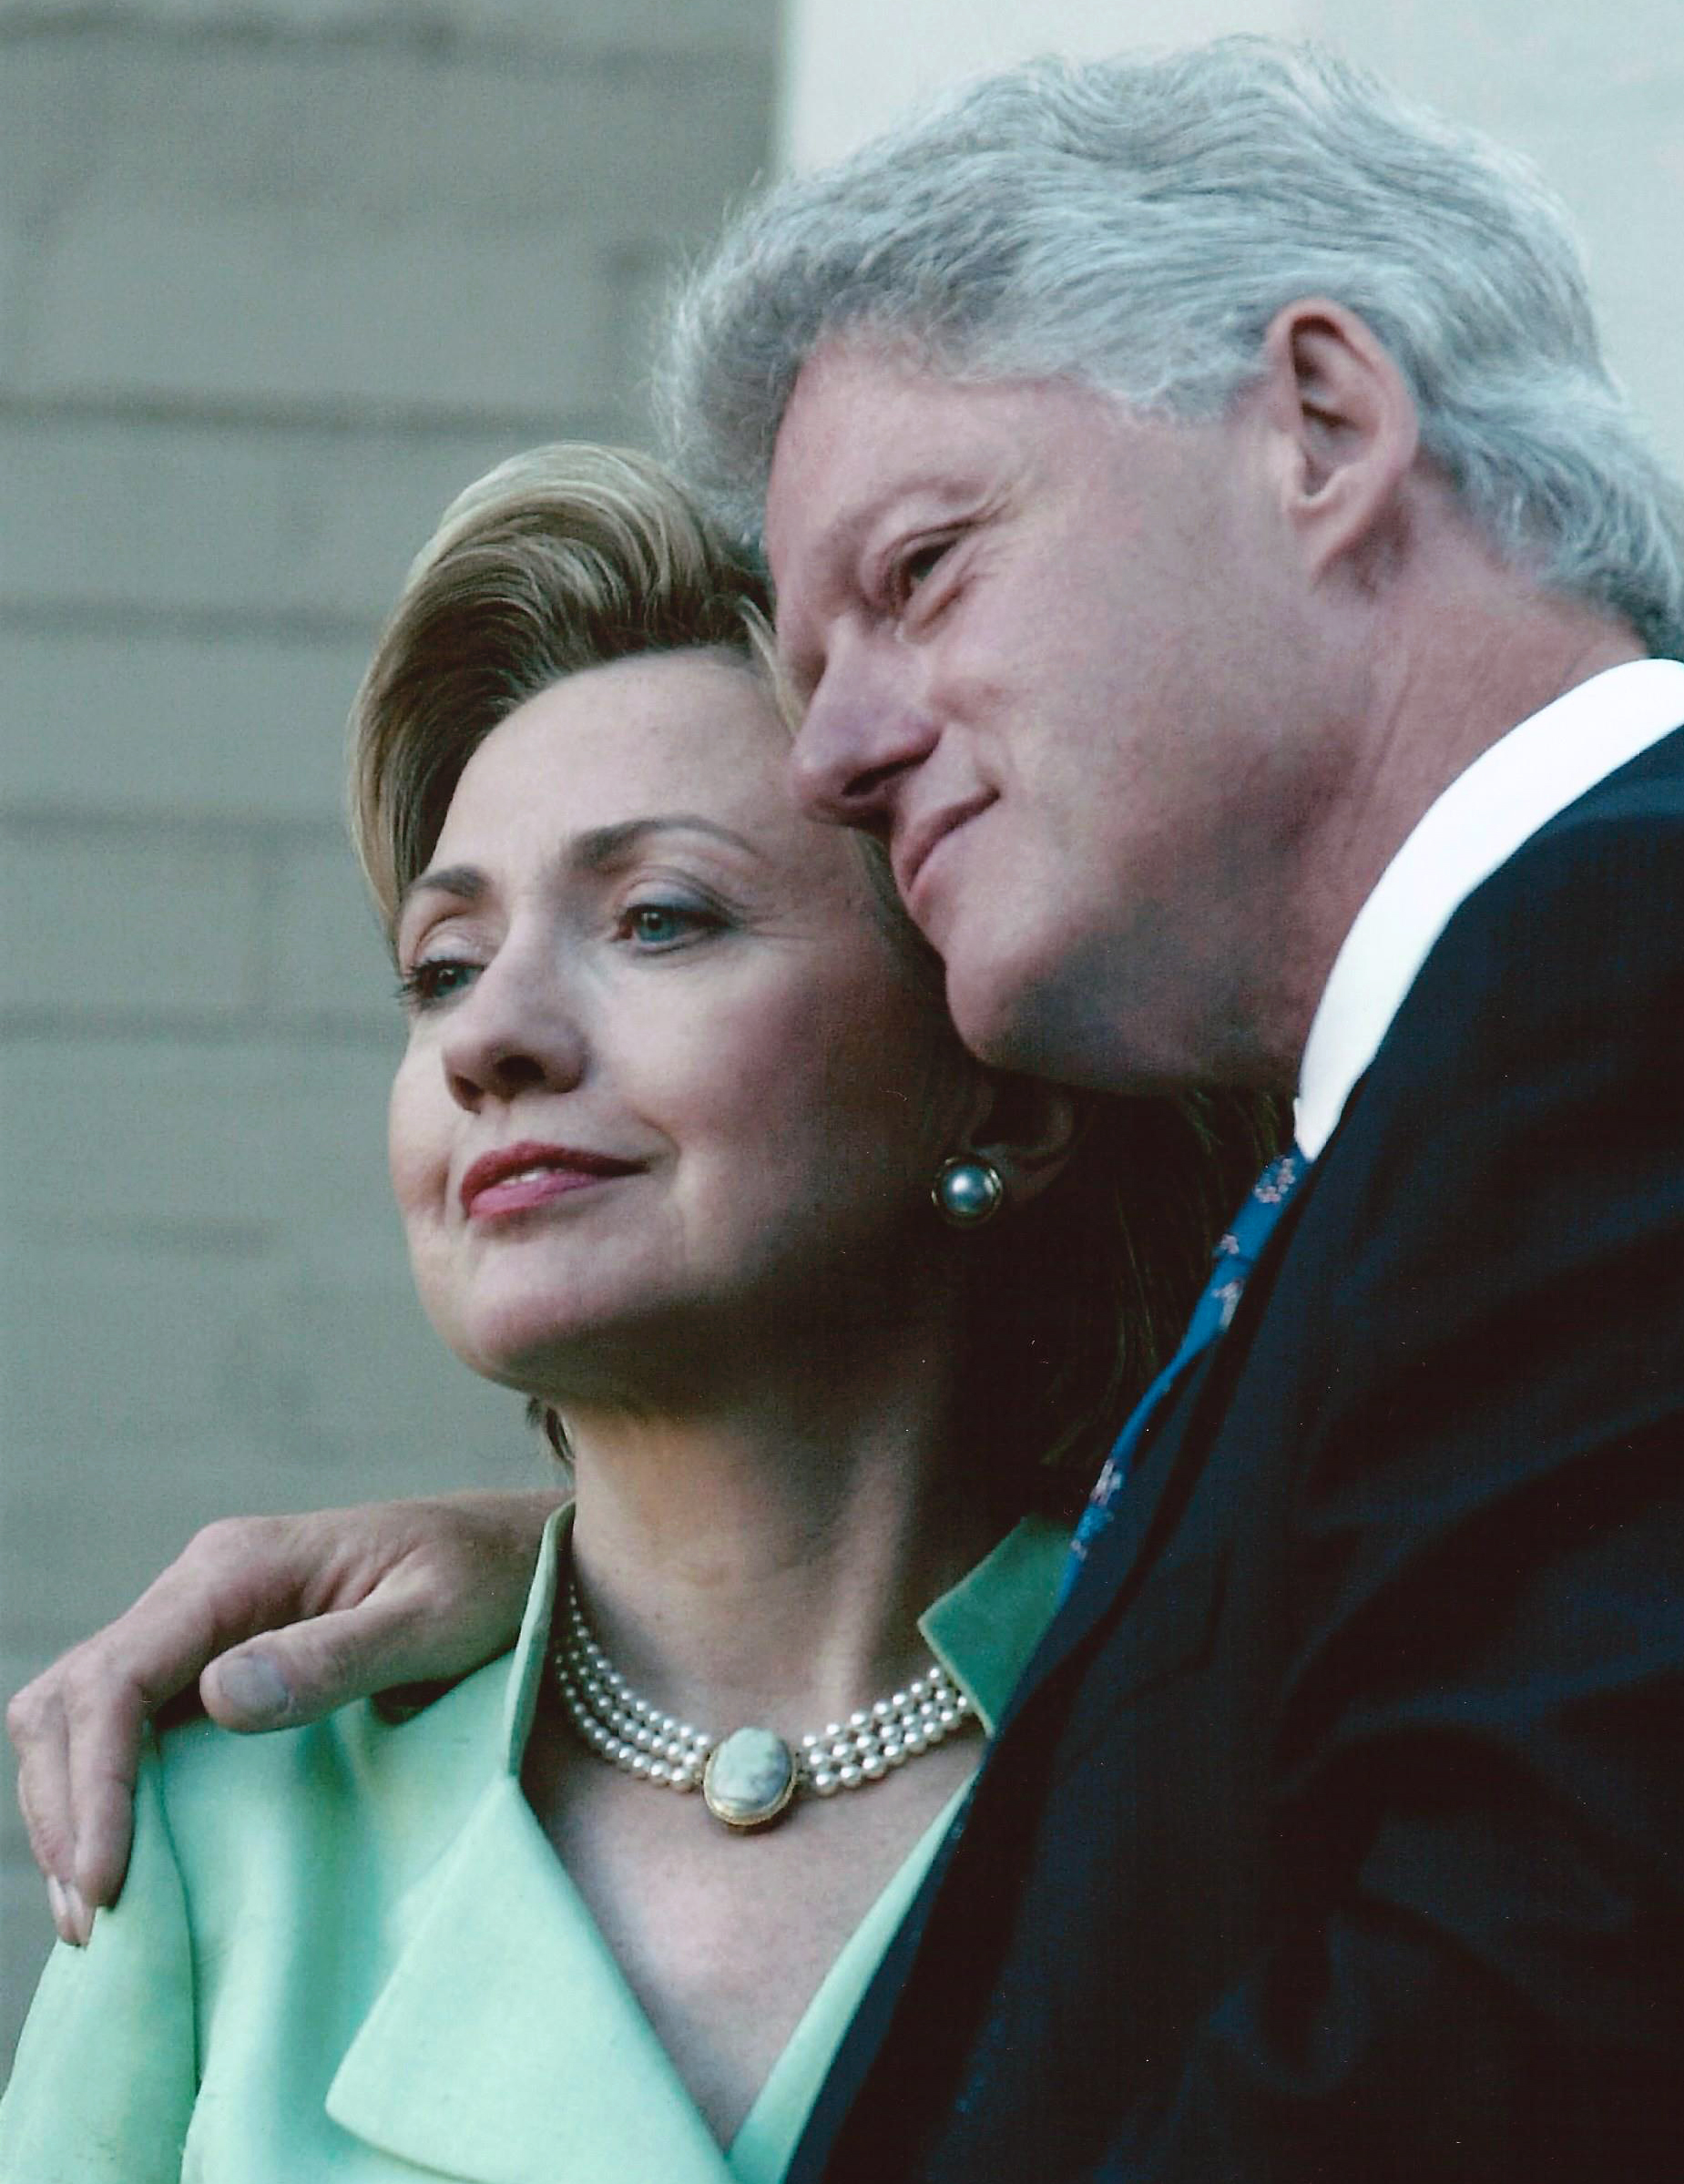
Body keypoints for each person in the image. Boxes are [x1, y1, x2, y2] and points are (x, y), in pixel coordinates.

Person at [13, 36, 1684, 2180]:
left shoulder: (1597, 1003)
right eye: (435, 963)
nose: (845, 752)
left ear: (1324, 426)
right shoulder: (1429, 1155)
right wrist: (608, 1588)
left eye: (920, 570)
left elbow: (1506, 2022)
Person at [0, 444, 1264, 2179]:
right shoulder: (236, 1845)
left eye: (657, 918)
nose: (485, 1037)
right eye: (441, 963)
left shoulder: (1263, 1771)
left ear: (1005, 1083)